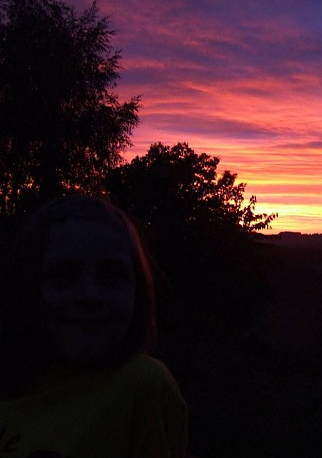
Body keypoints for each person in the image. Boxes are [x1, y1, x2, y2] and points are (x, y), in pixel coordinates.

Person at [0, 195, 187, 457]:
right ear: (28, 287)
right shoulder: (12, 385)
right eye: (64, 277)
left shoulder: (143, 387)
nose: (90, 295)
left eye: (111, 277)